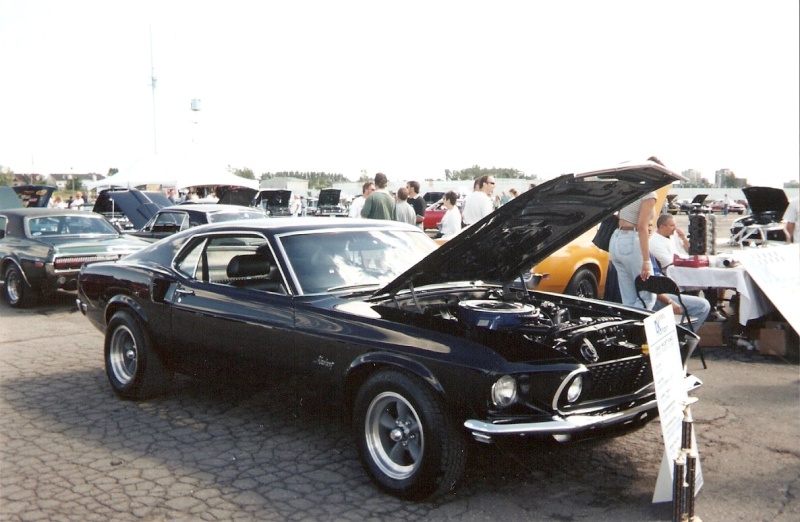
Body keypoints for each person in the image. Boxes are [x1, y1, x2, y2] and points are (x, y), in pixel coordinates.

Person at [609, 158, 660, 308]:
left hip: (616, 239)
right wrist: (646, 260)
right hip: (631, 241)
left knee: (629, 297)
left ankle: (628, 329)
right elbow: (642, 227)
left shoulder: (631, 189)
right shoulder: (649, 194)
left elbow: (620, 216)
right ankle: (637, 330)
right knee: (647, 297)